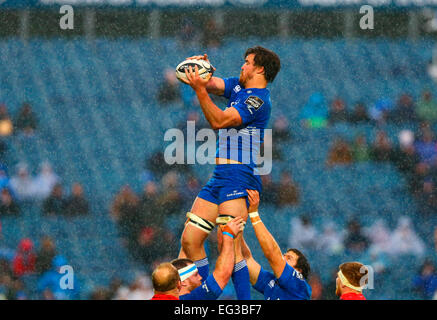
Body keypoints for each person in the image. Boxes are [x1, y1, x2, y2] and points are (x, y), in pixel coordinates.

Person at [177, 47, 281, 278]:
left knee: (231, 249)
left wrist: (200, 91)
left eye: (247, 62)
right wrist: (200, 71)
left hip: (239, 176)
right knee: (190, 239)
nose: (242, 65)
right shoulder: (239, 86)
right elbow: (210, 83)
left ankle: (243, 304)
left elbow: (220, 120)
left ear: (260, 69)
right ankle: (201, 291)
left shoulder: (257, 100)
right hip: (220, 176)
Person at [241, 190, 312, 300]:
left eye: (289, 258)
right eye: (284, 255)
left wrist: (254, 214)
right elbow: (246, 259)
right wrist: (235, 229)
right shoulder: (272, 281)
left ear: (298, 271)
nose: (283, 258)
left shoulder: (299, 284)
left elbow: (272, 253)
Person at [171, 217, 244, 300]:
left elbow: (182, 263)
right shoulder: (195, 297)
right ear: (183, 282)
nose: (200, 277)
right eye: (195, 275)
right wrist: (229, 235)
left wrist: (188, 234)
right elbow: (224, 274)